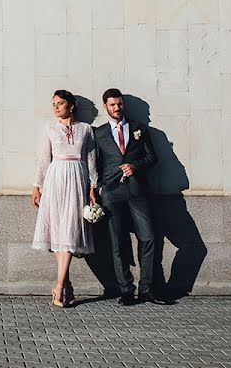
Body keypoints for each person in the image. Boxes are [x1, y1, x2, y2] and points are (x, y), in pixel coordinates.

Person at [93, 88, 166, 305]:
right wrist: (98, 188)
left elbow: (152, 158)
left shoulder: (139, 129)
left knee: (149, 237)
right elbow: (95, 164)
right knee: (117, 241)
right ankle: (126, 290)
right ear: (105, 107)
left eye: (119, 104)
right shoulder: (99, 133)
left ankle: (147, 289)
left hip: (137, 191)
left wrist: (136, 166)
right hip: (112, 193)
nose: (117, 108)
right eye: (112, 105)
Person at [31, 89, 98, 308]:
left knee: (70, 229)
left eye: (60, 103)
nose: (56, 107)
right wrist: (37, 186)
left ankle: (59, 287)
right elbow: (43, 159)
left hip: (77, 179)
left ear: (71, 105)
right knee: (59, 231)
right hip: (56, 178)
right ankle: (65, 287)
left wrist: (93, 187)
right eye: (54, 104)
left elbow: (91, 159)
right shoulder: (50, 129)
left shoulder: (85, 129)